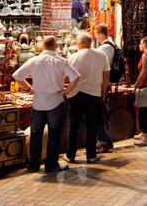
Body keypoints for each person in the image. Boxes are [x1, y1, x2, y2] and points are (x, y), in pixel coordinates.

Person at [13, 35, 80, 173]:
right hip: (56, 101)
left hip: (38, 102)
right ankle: (51, 164)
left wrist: (29, 88)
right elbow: (76, 76)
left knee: (36, 134)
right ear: (56, 46)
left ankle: (33, 164)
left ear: (43, 46)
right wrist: (67, 91)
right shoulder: (61, 61)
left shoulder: (34, 60)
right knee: (54, 135)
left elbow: (17, 76)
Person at [65, 32, 109, 164]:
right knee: (92, 125)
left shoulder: (74, 57)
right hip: (94, 94)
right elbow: (106, 76)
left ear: (80, 43)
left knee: (73, 125)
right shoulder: (101, 55)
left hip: (76, 94)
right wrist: (102, 92)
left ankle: (70, 155)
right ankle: (91, 155)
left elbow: (66, 78)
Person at [94, 24, 115, 153]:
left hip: (102, 84)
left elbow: (104, 70)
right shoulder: (112, 45)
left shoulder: (104, 48)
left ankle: (105, 141)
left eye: (96, 34)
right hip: (105, 83)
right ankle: (104, 140)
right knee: (103, 114)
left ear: (101, 34)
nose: (95, 37)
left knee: (100, 115)